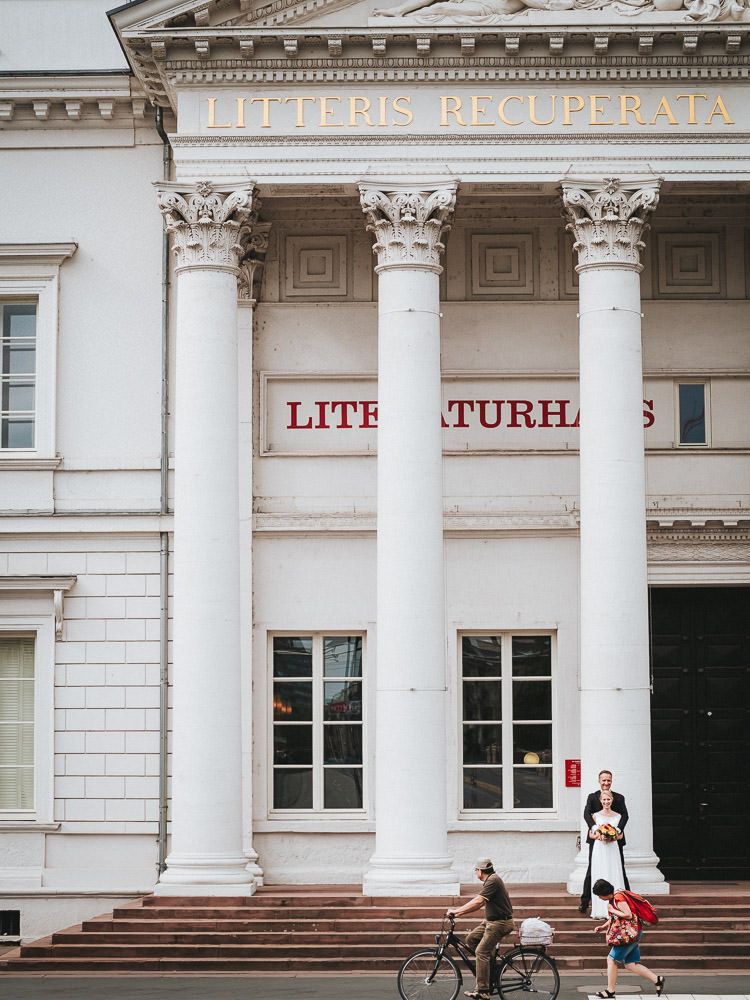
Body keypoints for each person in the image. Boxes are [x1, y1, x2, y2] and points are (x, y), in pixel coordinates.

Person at [446, 858, 514, 1000]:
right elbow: (478, 901)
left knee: (481, 952)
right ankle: (493, 969)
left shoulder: (493, 880)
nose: (475, 873)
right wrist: (458, 913)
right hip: (491, 921)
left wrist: (457, 911)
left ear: (479, 871)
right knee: (471, 939)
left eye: (475, 870)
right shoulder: (491, 880)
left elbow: (478, 902)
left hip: (499, 923)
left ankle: (483, 990)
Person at [591, 878, 665, 999]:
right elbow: (615, 917)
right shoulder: (615, 898)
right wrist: (603, 927)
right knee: (630, 964)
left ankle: (610, 991)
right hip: (633, 933)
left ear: (604, 893)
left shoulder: (618, 898)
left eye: (599, 896)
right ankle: (657, 980)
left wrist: (612, 909)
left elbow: (628, 914)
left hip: (629, 934)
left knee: (611, 959)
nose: (599, 898)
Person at [579, 770, 629, 913]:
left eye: (608, 780)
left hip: (614, 840)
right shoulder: (592, 797)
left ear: (611, 781)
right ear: (599, 781)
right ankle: (585, 901)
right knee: (592, 871)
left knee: (620, 869)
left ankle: (628, 899)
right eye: (604, 780)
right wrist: (596, 829)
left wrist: (617, 831)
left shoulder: (619, 798)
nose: (606, 783)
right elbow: (586, 814)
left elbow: (624, 815)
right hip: (597, 841)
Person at [589, 791, 627, 919]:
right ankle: (600, 910)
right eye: (604, 800)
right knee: (600, 871)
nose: (606, 802)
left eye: (608, 800)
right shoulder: (595, 816)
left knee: (614, 872)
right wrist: (599, 836)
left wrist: (612, 836)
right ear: (601, 801)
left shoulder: (618, 816)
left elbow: (620, 835)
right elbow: (590, 834)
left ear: (612, 800)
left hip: (612, 847)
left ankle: (617, 908)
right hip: (599, 848)